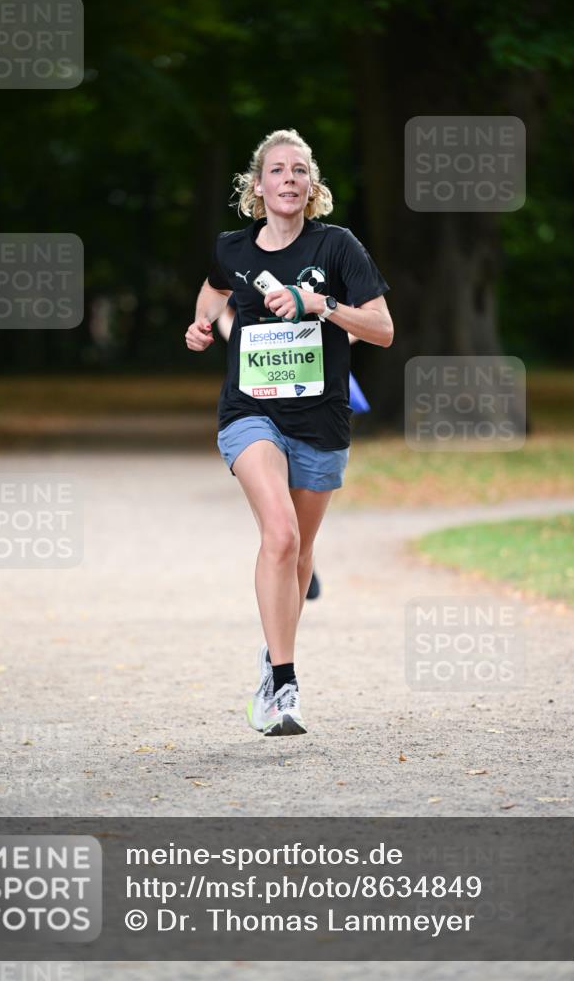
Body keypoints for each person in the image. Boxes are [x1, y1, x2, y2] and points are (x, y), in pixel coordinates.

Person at [185, 128, 393, 737]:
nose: (288, 179)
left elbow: (382, 329)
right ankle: (284, 681)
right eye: (277, 170)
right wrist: (200, 326)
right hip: (249, 412)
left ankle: (271, 654)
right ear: (258, 186)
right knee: (278, 535)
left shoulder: (338, 248)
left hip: (322, 419)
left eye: (299, 170)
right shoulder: (232, 248)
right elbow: (214, 291)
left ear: (312, 185)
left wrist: (319, 306)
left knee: (300, 550)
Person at [216, 294, 372, 601]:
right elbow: (226, 312)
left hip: (315, 396)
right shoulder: (249, 261)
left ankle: (301, 557)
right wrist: (243, 340)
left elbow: (364, 320)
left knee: (301, 497)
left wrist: (322, 340)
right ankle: (292, 554)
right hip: (262, 393)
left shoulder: (333, 262)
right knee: (275, 503)